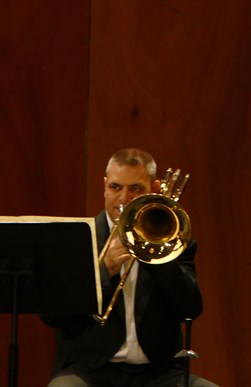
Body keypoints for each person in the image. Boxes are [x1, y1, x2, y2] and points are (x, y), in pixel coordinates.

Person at [42, 148, 218, 387]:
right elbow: (53, 314)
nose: (124, 198)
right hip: (89, 369)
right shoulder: (78, 239)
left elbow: (190, 308)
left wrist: (155, 255)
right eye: (115, 187)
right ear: (104, 186)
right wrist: (103, 272)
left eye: (135, 189)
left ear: (154, 189)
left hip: (159, 372)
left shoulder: (173, 240)